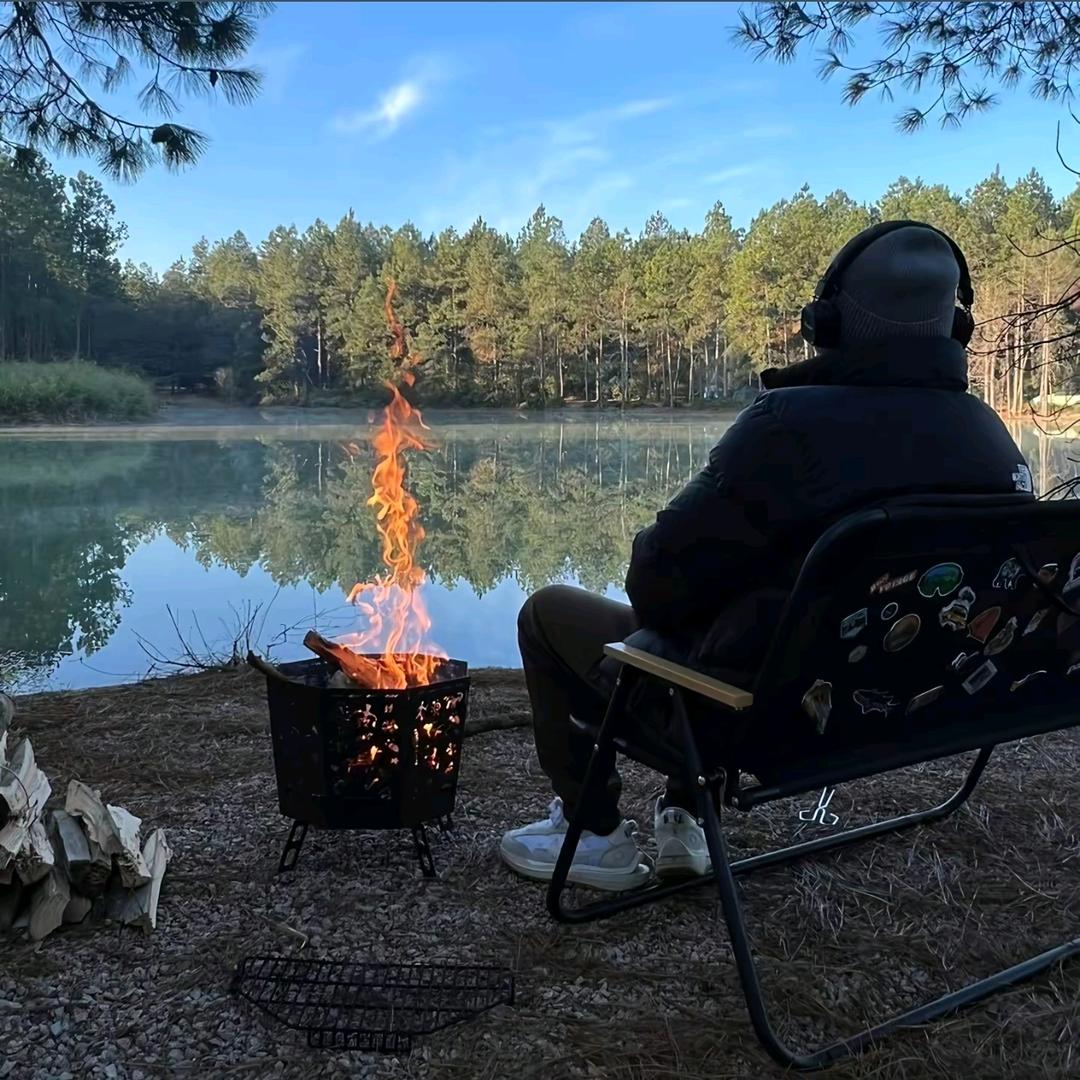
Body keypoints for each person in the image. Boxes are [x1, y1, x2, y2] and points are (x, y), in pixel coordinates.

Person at [500, 221, 1036, 891]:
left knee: (549, 612)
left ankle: (596, 835)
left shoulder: (787, 427)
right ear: (954, 328)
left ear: (828, 323)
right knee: (747, 602)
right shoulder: (991, 437)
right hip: (929, 705)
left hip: (764, 720)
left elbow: (655, 585)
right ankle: (684, 818)